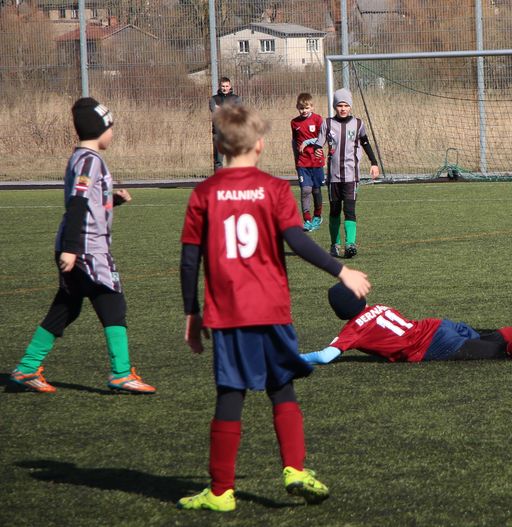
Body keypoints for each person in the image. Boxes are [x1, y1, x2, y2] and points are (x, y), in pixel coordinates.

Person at [177, 104, 371, 512]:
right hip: (272, 310)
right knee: (281, 387)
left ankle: (221, 492)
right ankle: (295, 469)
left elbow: (190, 260)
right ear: (260, 145)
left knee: (230, 393)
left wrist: (192, 313)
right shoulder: (274, 189)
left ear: (219, 146)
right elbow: (297, 241)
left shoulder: (204, 194)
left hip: (228, 315)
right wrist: (341, 271)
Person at [10, 97, 155, 394]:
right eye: (110, 128)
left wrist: (113, 200)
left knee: (68, 306)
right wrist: (72, 247)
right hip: (87, 248)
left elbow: (88, 201)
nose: (112, 133)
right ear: (100, 129)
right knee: (112, 300)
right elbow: (77, 202)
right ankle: (121, 373)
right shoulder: (90, 161)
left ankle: (26, 368)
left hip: (77, 244)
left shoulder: (81, 158)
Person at [300, 283, 512, 366]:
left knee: (498, 350)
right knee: (489, 337)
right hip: (438, 325)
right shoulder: (379, 307)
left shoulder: (353, 330)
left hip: (435, 345)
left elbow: (325, 356)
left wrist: (296, 357)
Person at [313, 88, 380, 259]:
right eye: (339, 105)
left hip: (351, 176)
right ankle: (334, 244)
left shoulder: (358, 124)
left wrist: (374, 163)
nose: (343, 109)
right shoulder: (327, 124)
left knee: (349, 210)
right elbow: (318, 145)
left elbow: (365, 143)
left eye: (346, 105)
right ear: (335, 106)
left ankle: (350, 244)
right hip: (334, 177)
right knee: (335, 211)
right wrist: (317, 150)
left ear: (350, 106)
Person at [291, 93, 326, 232]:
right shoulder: (294, 123)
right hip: (302, 162)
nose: (304, 111)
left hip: (316, 160)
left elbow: (323, 137)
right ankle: (307, 220)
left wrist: (307, 142)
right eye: (301, 108)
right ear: (297, 107)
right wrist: (296, 159)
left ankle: (317, 216)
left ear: (312, 107)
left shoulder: (318, 119)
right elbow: (295, 142)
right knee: (305, 190)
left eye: (306, 108)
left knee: (316, 190)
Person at [209, 77, 241, 170]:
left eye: (227, 86)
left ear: (230, 86)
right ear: (220, 86)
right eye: (223, 86)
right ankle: (219, 178)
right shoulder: (214, 99)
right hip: (218, 133)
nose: (225, 88)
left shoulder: (236, 98)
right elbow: (215, 111)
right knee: (218, 161)